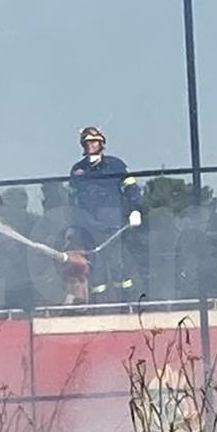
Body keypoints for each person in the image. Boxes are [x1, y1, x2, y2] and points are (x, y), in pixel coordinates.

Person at [66, 126, 145, 302]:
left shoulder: (116, 165)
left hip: (113, 224)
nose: (90, 146)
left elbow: (131, 188)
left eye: (93, 142)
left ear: (102, 143)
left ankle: (127, 305)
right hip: (88, 226)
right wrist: (72, 226)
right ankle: (99, 307)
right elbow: (72, 201)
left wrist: (136, 210)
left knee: (118, 265)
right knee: (96, 269)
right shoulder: (77, 170)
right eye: (86, 142)